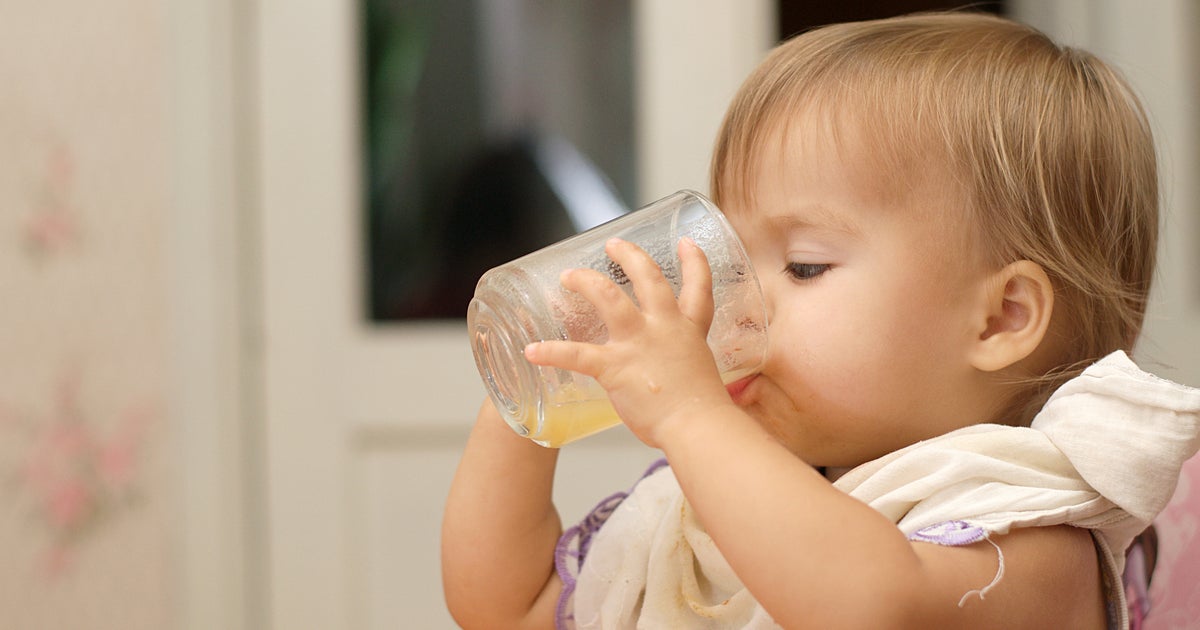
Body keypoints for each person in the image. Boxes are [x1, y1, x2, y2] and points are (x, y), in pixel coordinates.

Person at [441, 11, 1200, 629]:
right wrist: (531, 387)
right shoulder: (738, 496)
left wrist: (692, 417)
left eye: (803, 265)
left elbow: (871, 604)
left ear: (1000, 318)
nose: (736, 295)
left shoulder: (1032, 535)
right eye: (733, 253)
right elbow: (510, 607)